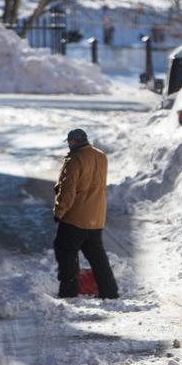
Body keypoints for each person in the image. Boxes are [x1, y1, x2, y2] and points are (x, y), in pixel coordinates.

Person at [52, 128, 118, 299]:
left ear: (74, 142)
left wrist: (59, 211)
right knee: (98, 257)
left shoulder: (75, 159)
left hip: (76, 217)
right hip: (96, 218)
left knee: (65, 251)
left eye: (69, 142)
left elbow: (68, 190)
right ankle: (109, 291)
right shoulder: (101, 156)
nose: (69, 145)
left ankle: (69, 291)